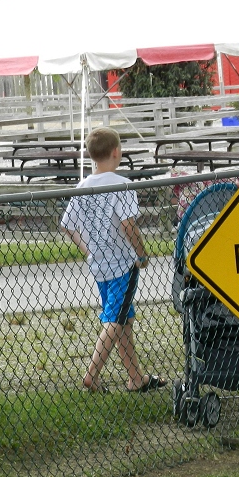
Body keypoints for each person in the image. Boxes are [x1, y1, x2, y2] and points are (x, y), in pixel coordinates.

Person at [61, 127, 164, 393]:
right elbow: (129, 225)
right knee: (115, 321)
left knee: (124, 321)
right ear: (116, 152)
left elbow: (68, 226)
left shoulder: (82, 187)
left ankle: (135, 378)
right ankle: (91, 375)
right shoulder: (121, 185)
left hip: (99, 265)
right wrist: (141, 254)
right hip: (123, 265)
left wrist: (88, 249)